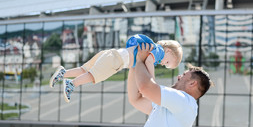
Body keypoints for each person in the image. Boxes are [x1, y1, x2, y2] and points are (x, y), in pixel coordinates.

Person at [49, 34, 183, 103]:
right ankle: (71, 84)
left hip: (113, 54)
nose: (163, 64)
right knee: (93, 75)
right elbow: (148, 61)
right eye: (167, 62)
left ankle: (63, 73)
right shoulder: (158, 51)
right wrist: (152, 81)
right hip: (116, 60)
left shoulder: (153, 47)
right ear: (169, 52)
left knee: (85, 69)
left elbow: (138, 67)